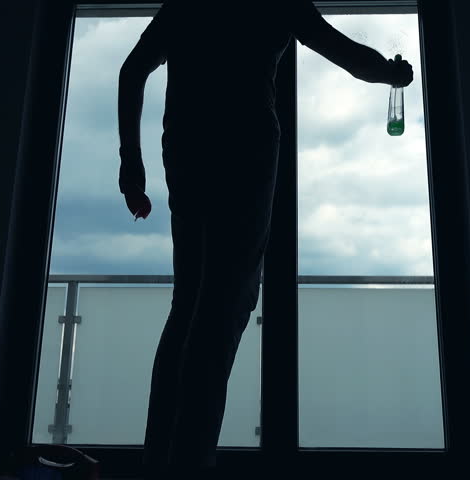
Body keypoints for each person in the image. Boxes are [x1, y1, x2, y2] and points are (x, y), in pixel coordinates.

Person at [117, 1, 413, 478]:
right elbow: (345, 54)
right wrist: (392, 73)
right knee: (222, 309)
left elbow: (132, 72)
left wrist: (131, 162)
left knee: (189, 304)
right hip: (246, 149)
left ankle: (162, 462)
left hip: (187, 146)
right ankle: (187, 463)